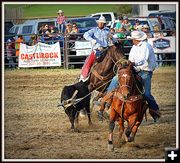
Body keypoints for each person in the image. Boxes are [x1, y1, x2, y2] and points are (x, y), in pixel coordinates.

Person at [101, 31, 161, 122]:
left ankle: (155, 110)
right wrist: (127, 64)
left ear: (136, 39)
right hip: (135, 69)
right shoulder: (134, 47)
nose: (132, 41)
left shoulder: (146, 46)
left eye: (132, 39)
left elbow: (143, 60)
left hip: (145, 71)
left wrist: (132, 63)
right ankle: (107, 98)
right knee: (116, 78)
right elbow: (131, 58)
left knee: (146, 94)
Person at [79, 16, 116, 82]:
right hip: (97, 50)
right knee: (89, 61)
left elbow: (112, 38)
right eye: (100, 23)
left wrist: (114, 40)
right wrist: (92, 40)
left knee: (114, 60)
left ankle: (116, 75)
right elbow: (85, 35)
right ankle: (84, 76)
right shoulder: (93, 30)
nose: (102, 24)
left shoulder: (107, 30)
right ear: (98, 23)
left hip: (106, 50)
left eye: (103, 23)